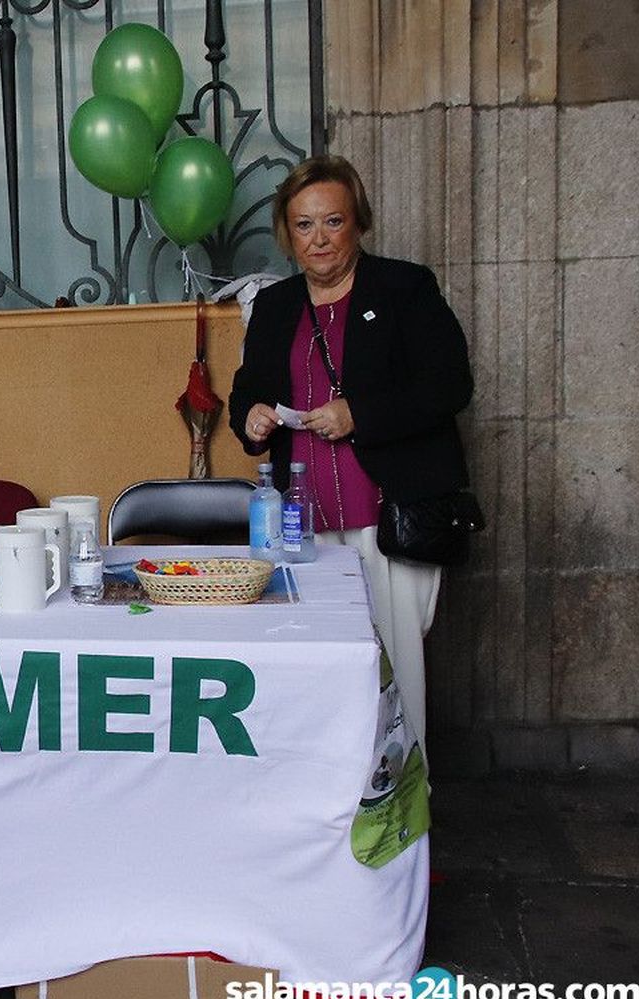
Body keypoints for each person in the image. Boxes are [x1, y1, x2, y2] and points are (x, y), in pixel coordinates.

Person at [228, 155, 473, 760]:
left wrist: (358, 413)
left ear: (357, 223)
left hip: (386, 519)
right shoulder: (277, 305)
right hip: (306, 526)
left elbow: (449, 386)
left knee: (394, 665)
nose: (319, 238)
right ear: (288, 234)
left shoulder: (403, 288)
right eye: (304, 225)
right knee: (321, 667)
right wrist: (252, 418)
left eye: (332, 221)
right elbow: (245, 390)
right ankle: (334, 795)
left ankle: (402, 798)